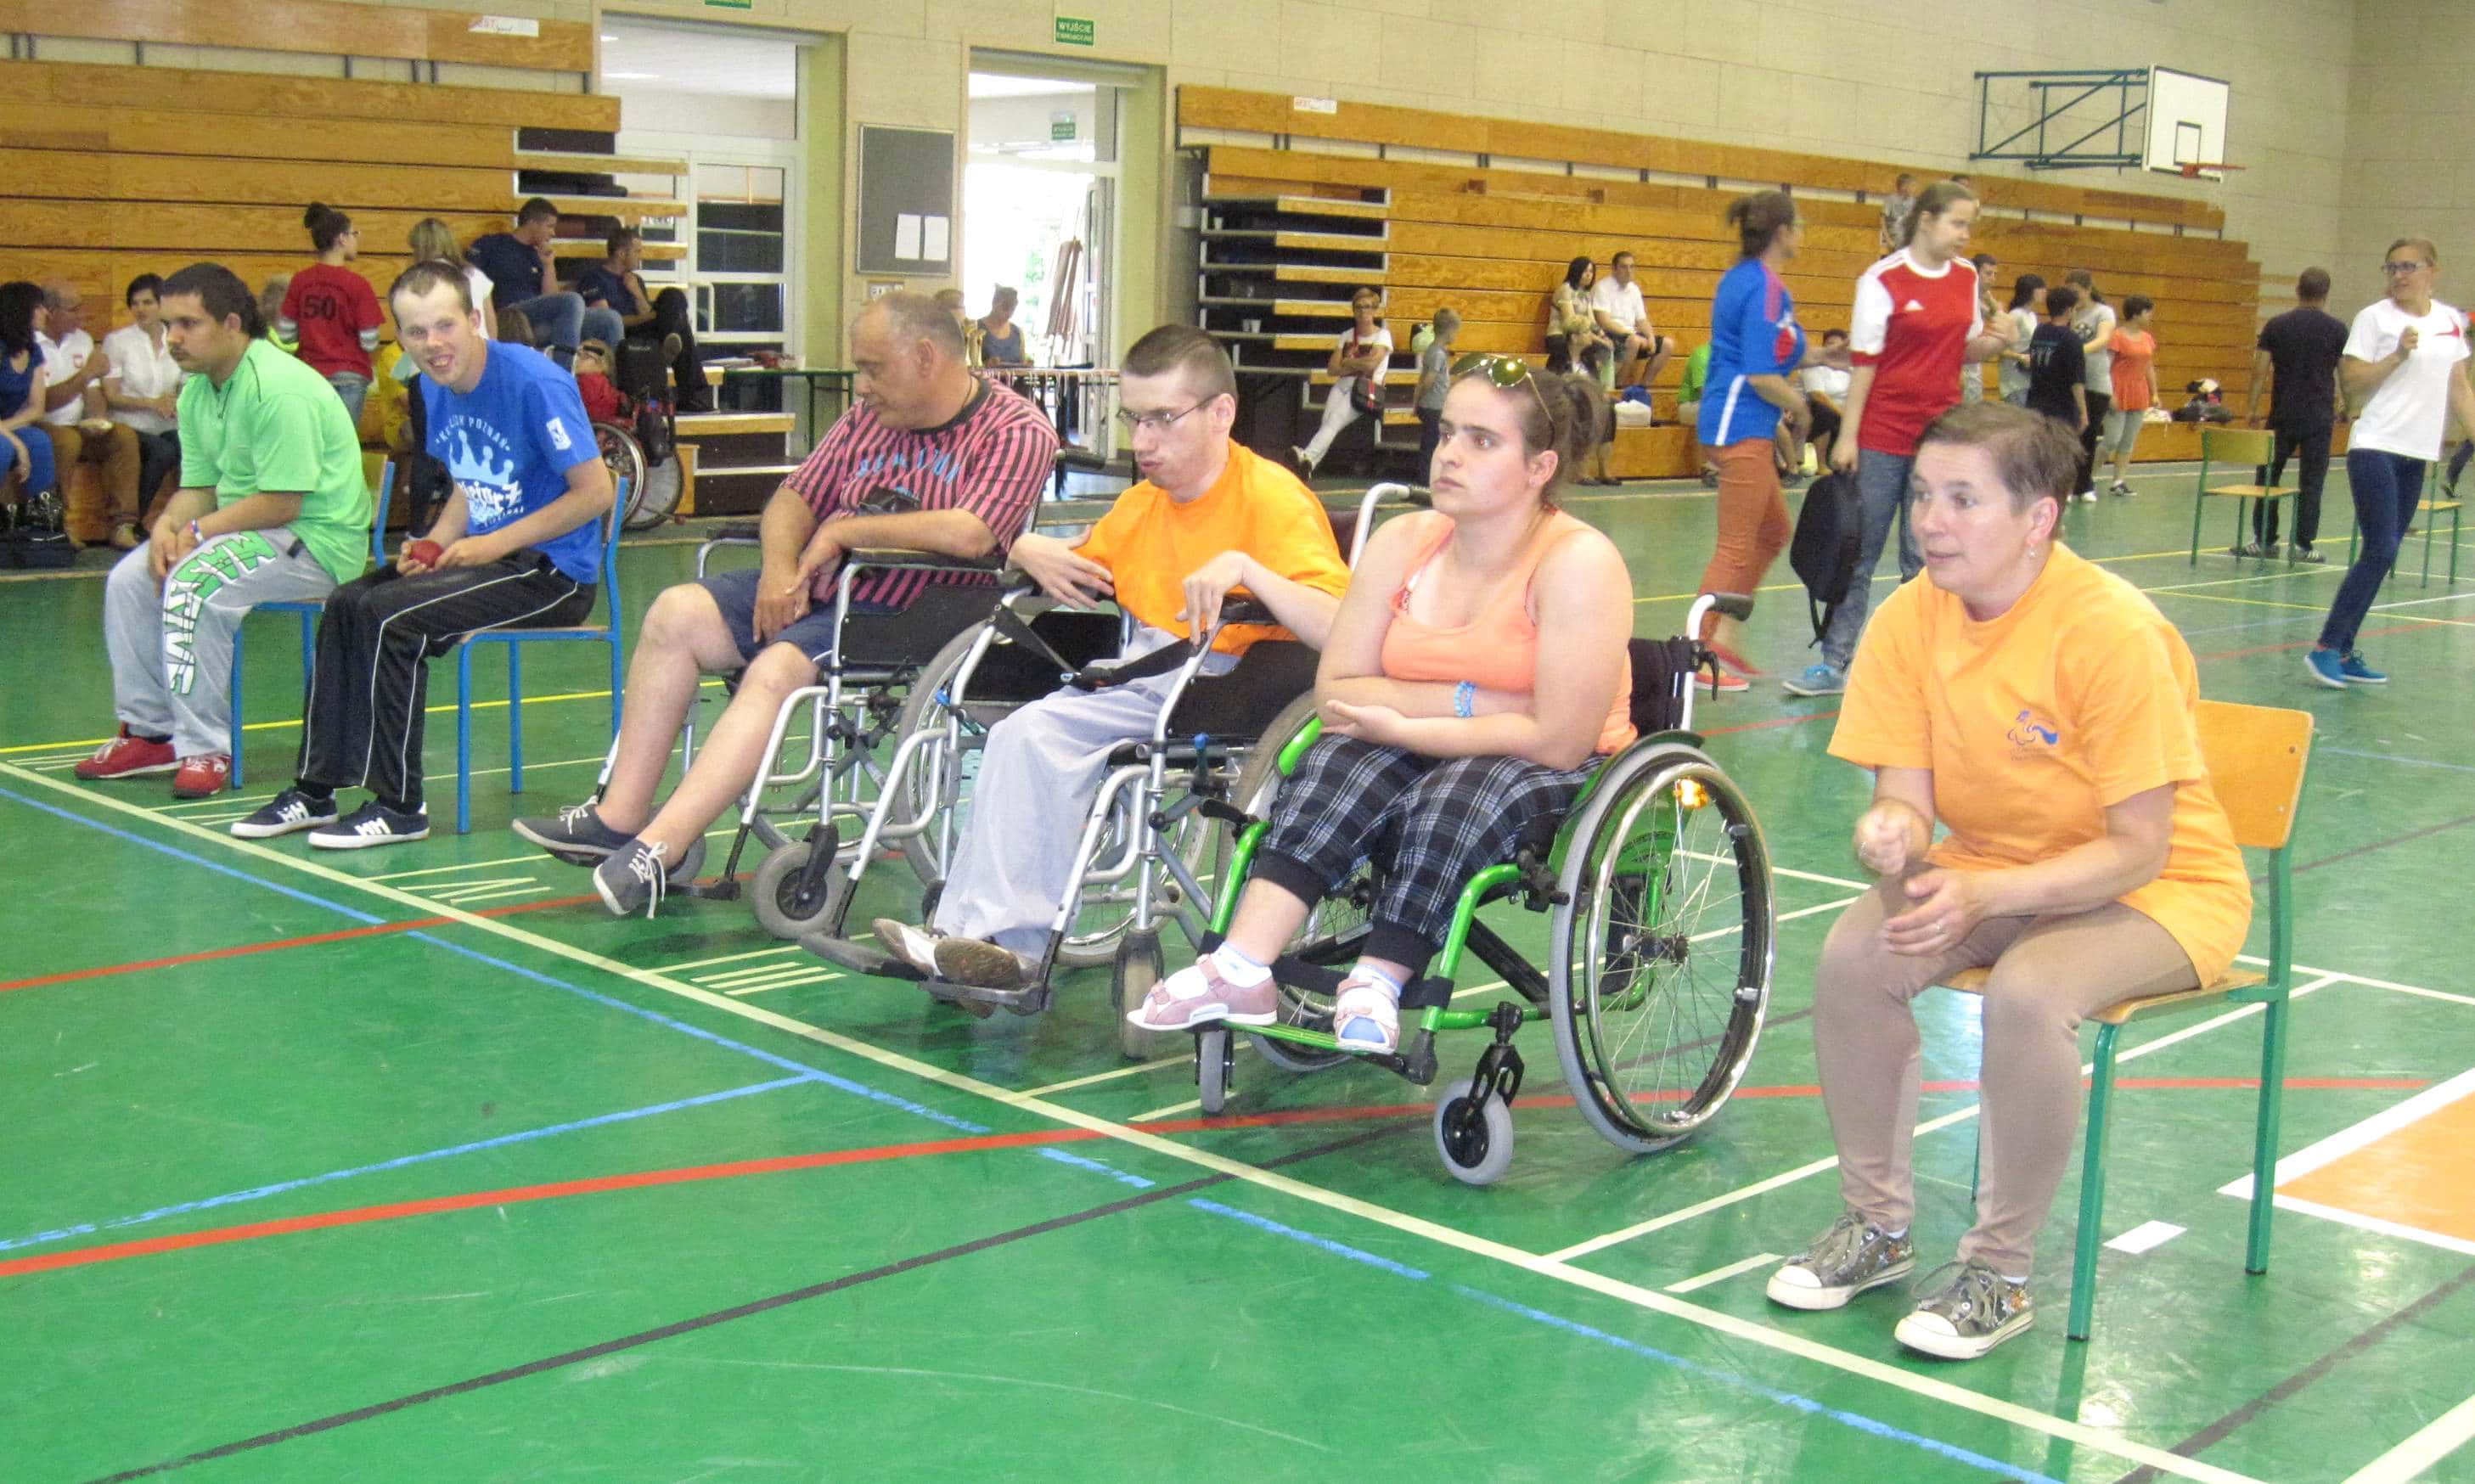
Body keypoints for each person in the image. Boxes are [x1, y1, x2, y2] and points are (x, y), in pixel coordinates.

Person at [1766, 402, 2248, 1362]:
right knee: (1855, 956)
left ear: (2039, 519)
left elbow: (2139, 848)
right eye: (1921, 495)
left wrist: (1985, 897)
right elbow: (1905, 799)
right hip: (1990, 864)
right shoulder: (1908, 617)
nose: (1929, 522)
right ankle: (1876, 1225)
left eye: (1962, 500)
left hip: (2157, 890)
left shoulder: (2111, 630)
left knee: (2028, 993)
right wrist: (1890, 831)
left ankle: (1998, 1273)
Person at [1125, 353, 1634, 1052]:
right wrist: (1471, 699)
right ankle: (1240, 965)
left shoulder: (1577, 562)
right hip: (1436, 735)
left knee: (1454, 792)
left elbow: (1557, 738)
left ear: (1538, 468)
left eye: (1482, 441)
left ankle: (1378, 980)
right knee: (1334, 761)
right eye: (1447, 432)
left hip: (1542, 765)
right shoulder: (1402, 542)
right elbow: (1337, 690)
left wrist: (1406, 720)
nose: (1448, 454)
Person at [510, 292, 1055, 913]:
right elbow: (796, 497)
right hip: (824, 592)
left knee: (774, 669)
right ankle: (619, 816)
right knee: (674, 613)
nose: (862, 385)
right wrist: (777, 570)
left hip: (915, 611)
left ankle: (659, 849)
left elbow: (973, 533)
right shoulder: (867, 419)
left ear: (926, 357)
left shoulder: (1015, 429)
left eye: (873, 368)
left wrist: (844, 533)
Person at [872, 325, 1353, 992]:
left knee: (1033, 736)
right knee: (1018, 733)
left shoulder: (1270, 499)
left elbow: (1338, 626)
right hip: (1143, 678)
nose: (1143, 441)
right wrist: (1024, 545)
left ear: (1221, 413)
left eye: (1163, 419)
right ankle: (972, 937)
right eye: (1134, 419)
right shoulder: (1139, 505)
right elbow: (1077, 567)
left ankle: (1006, 948)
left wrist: (1248, 570)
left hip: (1228, 688)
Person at [229, 263, 615, 847]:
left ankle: (400, 806)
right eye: (416, 332)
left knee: (391, 619)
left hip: (552, 574)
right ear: (401, 337)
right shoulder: (434, 384)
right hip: (486, 560)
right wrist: (436, 542)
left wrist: (494, 542)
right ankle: (315, 791)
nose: (433, 344)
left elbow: (595, 493)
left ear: (474, 319)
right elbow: (469, 482)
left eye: (444, 326)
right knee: (347, 603)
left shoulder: (535, 383)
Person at [72, 263, 368, 800]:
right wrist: (167, 527)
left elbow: (282, 502)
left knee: (193, 584)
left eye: (188, 324)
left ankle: (205, 746)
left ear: (232, 324)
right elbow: (201, 486)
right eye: (168, 325)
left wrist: (196, 530)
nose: (173, 338)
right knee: (130, 579)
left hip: (316, 543)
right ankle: (151, 733)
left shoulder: (280, 389)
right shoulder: (197, 392)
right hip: (245, 531)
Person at [1787, 181, 2009, 697]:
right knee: (1858, 553)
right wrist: (1848, 436)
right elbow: (1865, 364)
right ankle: (1833, 661)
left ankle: (1929, 665)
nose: (1965, 234)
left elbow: (1963, 350)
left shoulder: (1966, 277)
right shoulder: (1882, 279)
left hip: (1943, 441)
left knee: (1930, 555)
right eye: (1957, 223)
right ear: (1927, 219)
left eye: (1970, 225)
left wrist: (1998, 342)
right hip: (1882, 435)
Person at [2305, 238, 2475, 689]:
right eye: (2392, 267)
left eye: (2408, 267)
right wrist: (2397, 355)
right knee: (2381, 547)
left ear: (2432, 270)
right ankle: (2325, 647)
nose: (2399, 275)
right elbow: (2352, 383)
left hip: (2417, 453)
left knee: (2386, 552)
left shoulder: (2450, 321)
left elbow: (2460, 388)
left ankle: (2344, 650)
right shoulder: (2374, 318)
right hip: (2375, 445)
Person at [1696, 190, 1848, 688]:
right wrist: (1801, 407)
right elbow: (1762, 374)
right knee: (1736, 545)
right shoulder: (1761, 286)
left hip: (1747, 423)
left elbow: (1776, 348)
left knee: (1772, 533)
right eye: (1799, 225)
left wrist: (1823, 357)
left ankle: (1723, 636)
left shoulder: (1752, 280)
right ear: (1782, 231)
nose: (1803, 233)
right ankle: (1700, 654)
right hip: (1739, 422)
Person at [2242, 267, 2348, 562]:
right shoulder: (2337, 329)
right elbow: (2344, 373)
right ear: (2326, 294)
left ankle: (2265, 540)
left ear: (2297, 290)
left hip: (2283, 414)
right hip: (2319, 415)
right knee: (2312, 481)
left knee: (2268, 477)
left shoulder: (2276, 325)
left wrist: (2252, 408)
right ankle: (2303, 545)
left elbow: (2260, 370)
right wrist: (2349, 407)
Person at [34, 282, 143, 551]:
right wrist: (86, 374)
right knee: (67, 441)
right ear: (50, 311)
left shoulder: (82, 340)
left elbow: (93, 391)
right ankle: (59, 522)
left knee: (123, 436)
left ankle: (123, 525)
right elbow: (43, 402)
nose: (81, 314)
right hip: (41, 423)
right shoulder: (31, 344)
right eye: (74, 309)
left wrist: (97, 418)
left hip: (78, 424)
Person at [465, 198, 623, 369]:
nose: (553, 233)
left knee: (610, 318)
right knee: (573, 299)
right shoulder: (493, 244)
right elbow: (469, 278)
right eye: (550, 226)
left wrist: (548, 265)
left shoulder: (537, 254)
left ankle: (612, 381)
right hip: (509, 313)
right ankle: (563, 374)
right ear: (533, 223)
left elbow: (552, 298)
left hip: (538, 314)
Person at [574, 227, 712, 413]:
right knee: (679, 326)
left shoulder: (635, 280)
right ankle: (695, 396)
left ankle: (669, 340)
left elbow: (645, 312)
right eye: (637, 251)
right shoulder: (594, 279)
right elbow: (609, 321)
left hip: (641, 330)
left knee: (673, 296)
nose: (641, 257)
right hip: (621, 334)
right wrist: (654, 316)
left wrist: (637, 293)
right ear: (622, 253)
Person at [98, 274, 185, 547]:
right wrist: (152, 403)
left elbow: (186, 384)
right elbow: (112, 396)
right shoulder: (118, 341)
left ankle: (189, 523)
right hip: (129, 423)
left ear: (162, 304)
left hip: (168, 423)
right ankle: (131, 523)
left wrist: (175, 401)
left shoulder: (178, 339)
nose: (140, 309)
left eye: (147, 302)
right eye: (135, 304)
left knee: (188, 446)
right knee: (162, 451)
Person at [280, 203, 385, 425]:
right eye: (354, 234)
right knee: (342, 442)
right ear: (342, 239)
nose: (356, 239)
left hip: (310, 374)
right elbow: (369, 341)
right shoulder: (357, 285)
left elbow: (286, 334)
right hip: (350, 374)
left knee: (312, 440)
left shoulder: (300, 281)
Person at [1292, 286, 1392, 479]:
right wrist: (1357, 364)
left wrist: (1348, 362)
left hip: (1365, 388)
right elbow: (1332, 369)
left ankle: (1306, 455)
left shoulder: (1383, 335)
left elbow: (1372, 365)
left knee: (1335, 421)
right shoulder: (1347, 335)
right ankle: (1308, 467)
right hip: (1342, 384)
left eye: (1368, 307)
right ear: (1353, 310)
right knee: (1327, 423)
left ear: (1375, 310)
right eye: (1359, 307)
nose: (1363, 311)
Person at [0, 281, 59, 509]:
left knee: (39, 440)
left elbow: (36, 408)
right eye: (39, 307)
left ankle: (42, 518)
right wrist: (15, 442)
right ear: (20, 310)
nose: (46, 313)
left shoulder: (33, 350)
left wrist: (7, 431)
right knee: (4, 447)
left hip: (5, 424)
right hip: (4, 431)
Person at [2065, 270, 2117, 499]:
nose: (2073, 296)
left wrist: (2076, 351)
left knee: (2089, 434)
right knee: (2071, 433)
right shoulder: (2072, 312)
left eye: (2076, 291)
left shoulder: (2103, 312)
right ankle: (2068, 484)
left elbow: (2103, 339)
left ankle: (2085, 485)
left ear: (2087, 290)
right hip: (2074, 381)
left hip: (2096, 382)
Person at [2100, 296, 2158, 495]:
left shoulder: (2147, 338)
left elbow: (2148, 366)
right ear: (2136, 314)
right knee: (2112, 440)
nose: (2150, 316)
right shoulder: (2116, 336)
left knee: (2128, 441)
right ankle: (2086, 479)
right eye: (2147, 312)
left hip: (2139, 392)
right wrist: (2109, 394)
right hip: (2118, 390)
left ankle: (2119, 481)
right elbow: (2106, 367)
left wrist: (2154, 393)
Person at [1590, 250, 1671, 390]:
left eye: (1632, 267)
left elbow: (1642, 320)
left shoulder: (1634, 290)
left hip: (1631, 334)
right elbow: (1604, 321)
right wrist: (1631, 334)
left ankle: (1644, 387)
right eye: (1624, 267)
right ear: (1614, 268)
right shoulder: (1602, 288)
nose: (1628, 271)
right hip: (1610, 334)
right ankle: (1618, 387)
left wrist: (1650, 337)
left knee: (1667, 344)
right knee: (1634, 341)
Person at [408, 217, 496, 339]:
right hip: (481, 344)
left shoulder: (420, 279)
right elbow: (490, 319)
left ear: (419, 249)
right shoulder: (476, 274)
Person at [2022, 284, 2087, 440]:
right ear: (2069, 311)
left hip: (2035, 403)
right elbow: (2076, 381)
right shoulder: (2071, 339)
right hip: (2061, 408)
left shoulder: (2040, 331)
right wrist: (2083, 412)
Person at [1549, 257, 1612, 377]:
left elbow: (1592, 320)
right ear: (1576, 271)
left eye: (1591, 271)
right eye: (1585, 271)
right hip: (1560, 335)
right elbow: (1572, 322)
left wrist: (1603, 336)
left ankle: (1596, 380)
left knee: (1605, 348)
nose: (1589, 275)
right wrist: (1597, 339)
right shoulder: (1565, 289)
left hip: (1580, 333)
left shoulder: (1587, 294)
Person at [1415, 306, 1460, 469]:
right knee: (1431, 444)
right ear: (1449, 331)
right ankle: (1426, 475)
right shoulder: (1438, 354)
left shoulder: (1433, 350)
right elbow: (1428, 380)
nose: (1456, 336)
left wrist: (1416, 401)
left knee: (1430, 441)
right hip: (1433, 406)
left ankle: (1426, 472)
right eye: (1456, 332)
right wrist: (1419, 399)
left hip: (1431, 405)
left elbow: (1422, 378)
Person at [1960, 255, 2004, 403]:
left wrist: (1989, 298)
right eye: (1988, 273)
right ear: (1975, 274)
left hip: (1974, 363)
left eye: (1995, 274)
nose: (1992, 278)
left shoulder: (1981, 299)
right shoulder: (1964, 296)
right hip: (1961, 362)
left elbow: (1997, 316)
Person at [1803, 328, 1852, 458]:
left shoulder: (1850, 367)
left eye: (1838, 344)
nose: (1834, 348)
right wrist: (1843, 415)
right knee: (1825, 411)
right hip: (1819, 411)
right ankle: (1821, 462)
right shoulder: (1814, 365)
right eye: (1830, 344)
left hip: (1845, 411)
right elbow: (1817, 395)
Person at [1997, 275, 2045, 407]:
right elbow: (2000, 349)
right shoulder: (2016, 315)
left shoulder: (2032, 315)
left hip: (2028, 379)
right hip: (2014, 379)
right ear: (2031, 290)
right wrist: (2020, 357)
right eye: (2040, 288)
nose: (2044, 291)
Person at [978, 287, 1030, 367]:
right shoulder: (976, 329)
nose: (1009, 314)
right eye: (1005, 309)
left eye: (1012, 310)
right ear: (994, 303)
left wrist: (1027, 364)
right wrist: (985, 365)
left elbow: (1023, 363)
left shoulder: (1018, 332)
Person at [1879, 173, 1918, 256]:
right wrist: (1888, 240)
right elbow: (1882, 221)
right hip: (1895, 230)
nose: (1914, 189)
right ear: (1904, 187)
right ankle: (1900, 259)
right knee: (1901, 237)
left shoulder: (1914, 202)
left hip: (1907, 229)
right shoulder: (1891, 200)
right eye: (1912, 186)